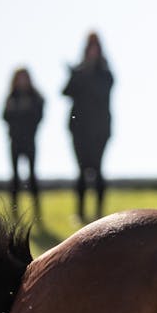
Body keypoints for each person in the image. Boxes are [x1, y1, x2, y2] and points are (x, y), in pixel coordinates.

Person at [63, 32, 114, 222]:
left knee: (98, 169)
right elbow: (65, 92)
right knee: (82, 170)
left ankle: (99, 213)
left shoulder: (106, 73)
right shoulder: (78, 71)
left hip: (100, 130)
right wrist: (76, 74)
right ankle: (81, 213)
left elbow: (101, 94)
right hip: (79, 129)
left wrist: (85, 75)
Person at [2, 67, 44, 219]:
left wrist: (26, 111)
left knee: (32, 176)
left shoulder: (35, 97)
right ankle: (14, 213)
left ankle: (37, 214)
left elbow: (39, 117)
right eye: (19, 78)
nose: (22, 81)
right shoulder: (12, 97)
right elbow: (4, 116)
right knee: (14, 178)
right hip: (15, 141)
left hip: (30, 141)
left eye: (24, 78)